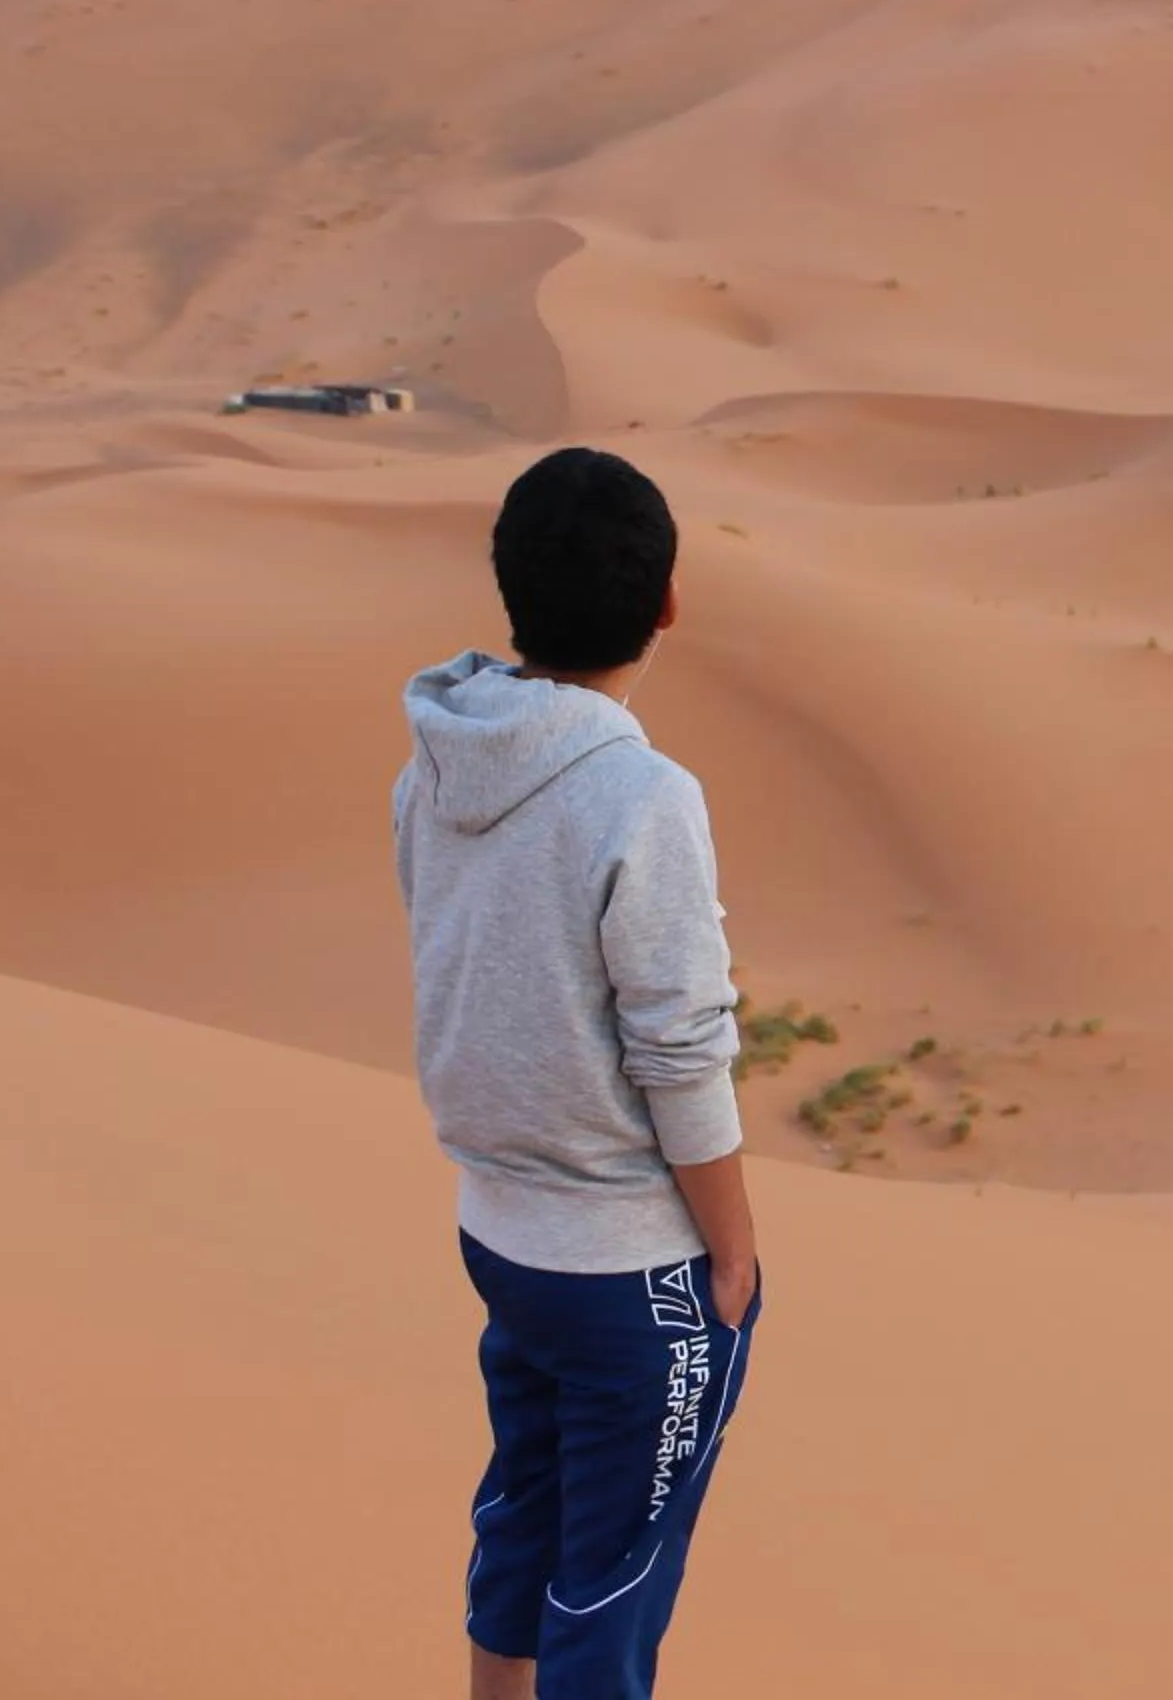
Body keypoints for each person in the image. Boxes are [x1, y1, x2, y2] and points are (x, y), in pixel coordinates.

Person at [394, 447, 761, 1700]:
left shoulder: (433, 762)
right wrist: (733, 1251)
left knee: (527, 1521)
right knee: (608, 1587)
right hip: (628, 1263)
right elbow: (682, 1045)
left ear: (510, 587)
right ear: (666, 604)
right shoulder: (640, 793)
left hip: (500, 1228)